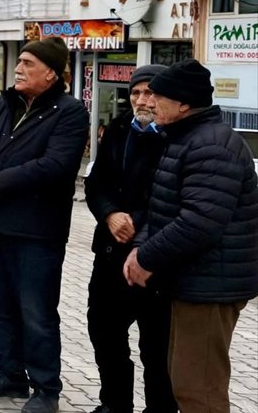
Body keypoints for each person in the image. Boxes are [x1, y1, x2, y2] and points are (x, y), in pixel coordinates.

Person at [0, 37, 89, 413]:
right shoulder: (4, 103)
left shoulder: (70, 112)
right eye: (19, 61)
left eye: (28, 63)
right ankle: (10, 374)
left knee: (37, 312)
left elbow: (55, 165)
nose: (18, 68)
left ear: (51, 73)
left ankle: (46, 388)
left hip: (38, 232)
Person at [126, 59, 258, 413]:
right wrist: (141, 248)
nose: (149, 103)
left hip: (211, 286)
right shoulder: (185, 138)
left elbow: (200, 221)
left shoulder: (211, 145)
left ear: (183, 103)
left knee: (199, 390)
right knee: (186, 383)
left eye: (158, 96)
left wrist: (146, 257)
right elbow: (163, 208)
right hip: (193, 282)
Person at [83, 64, 175, 413]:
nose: (142, 99)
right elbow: (95, 183)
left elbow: (170, 198)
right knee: (104, 331)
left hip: (155, 261)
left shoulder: (175, 136)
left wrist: (133, 223)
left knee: (157, 345)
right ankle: (115, 403)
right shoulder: (119, 129)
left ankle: (160, 408)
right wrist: (108, 213)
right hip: (110, 254)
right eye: (136, 92)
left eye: (150, 92)